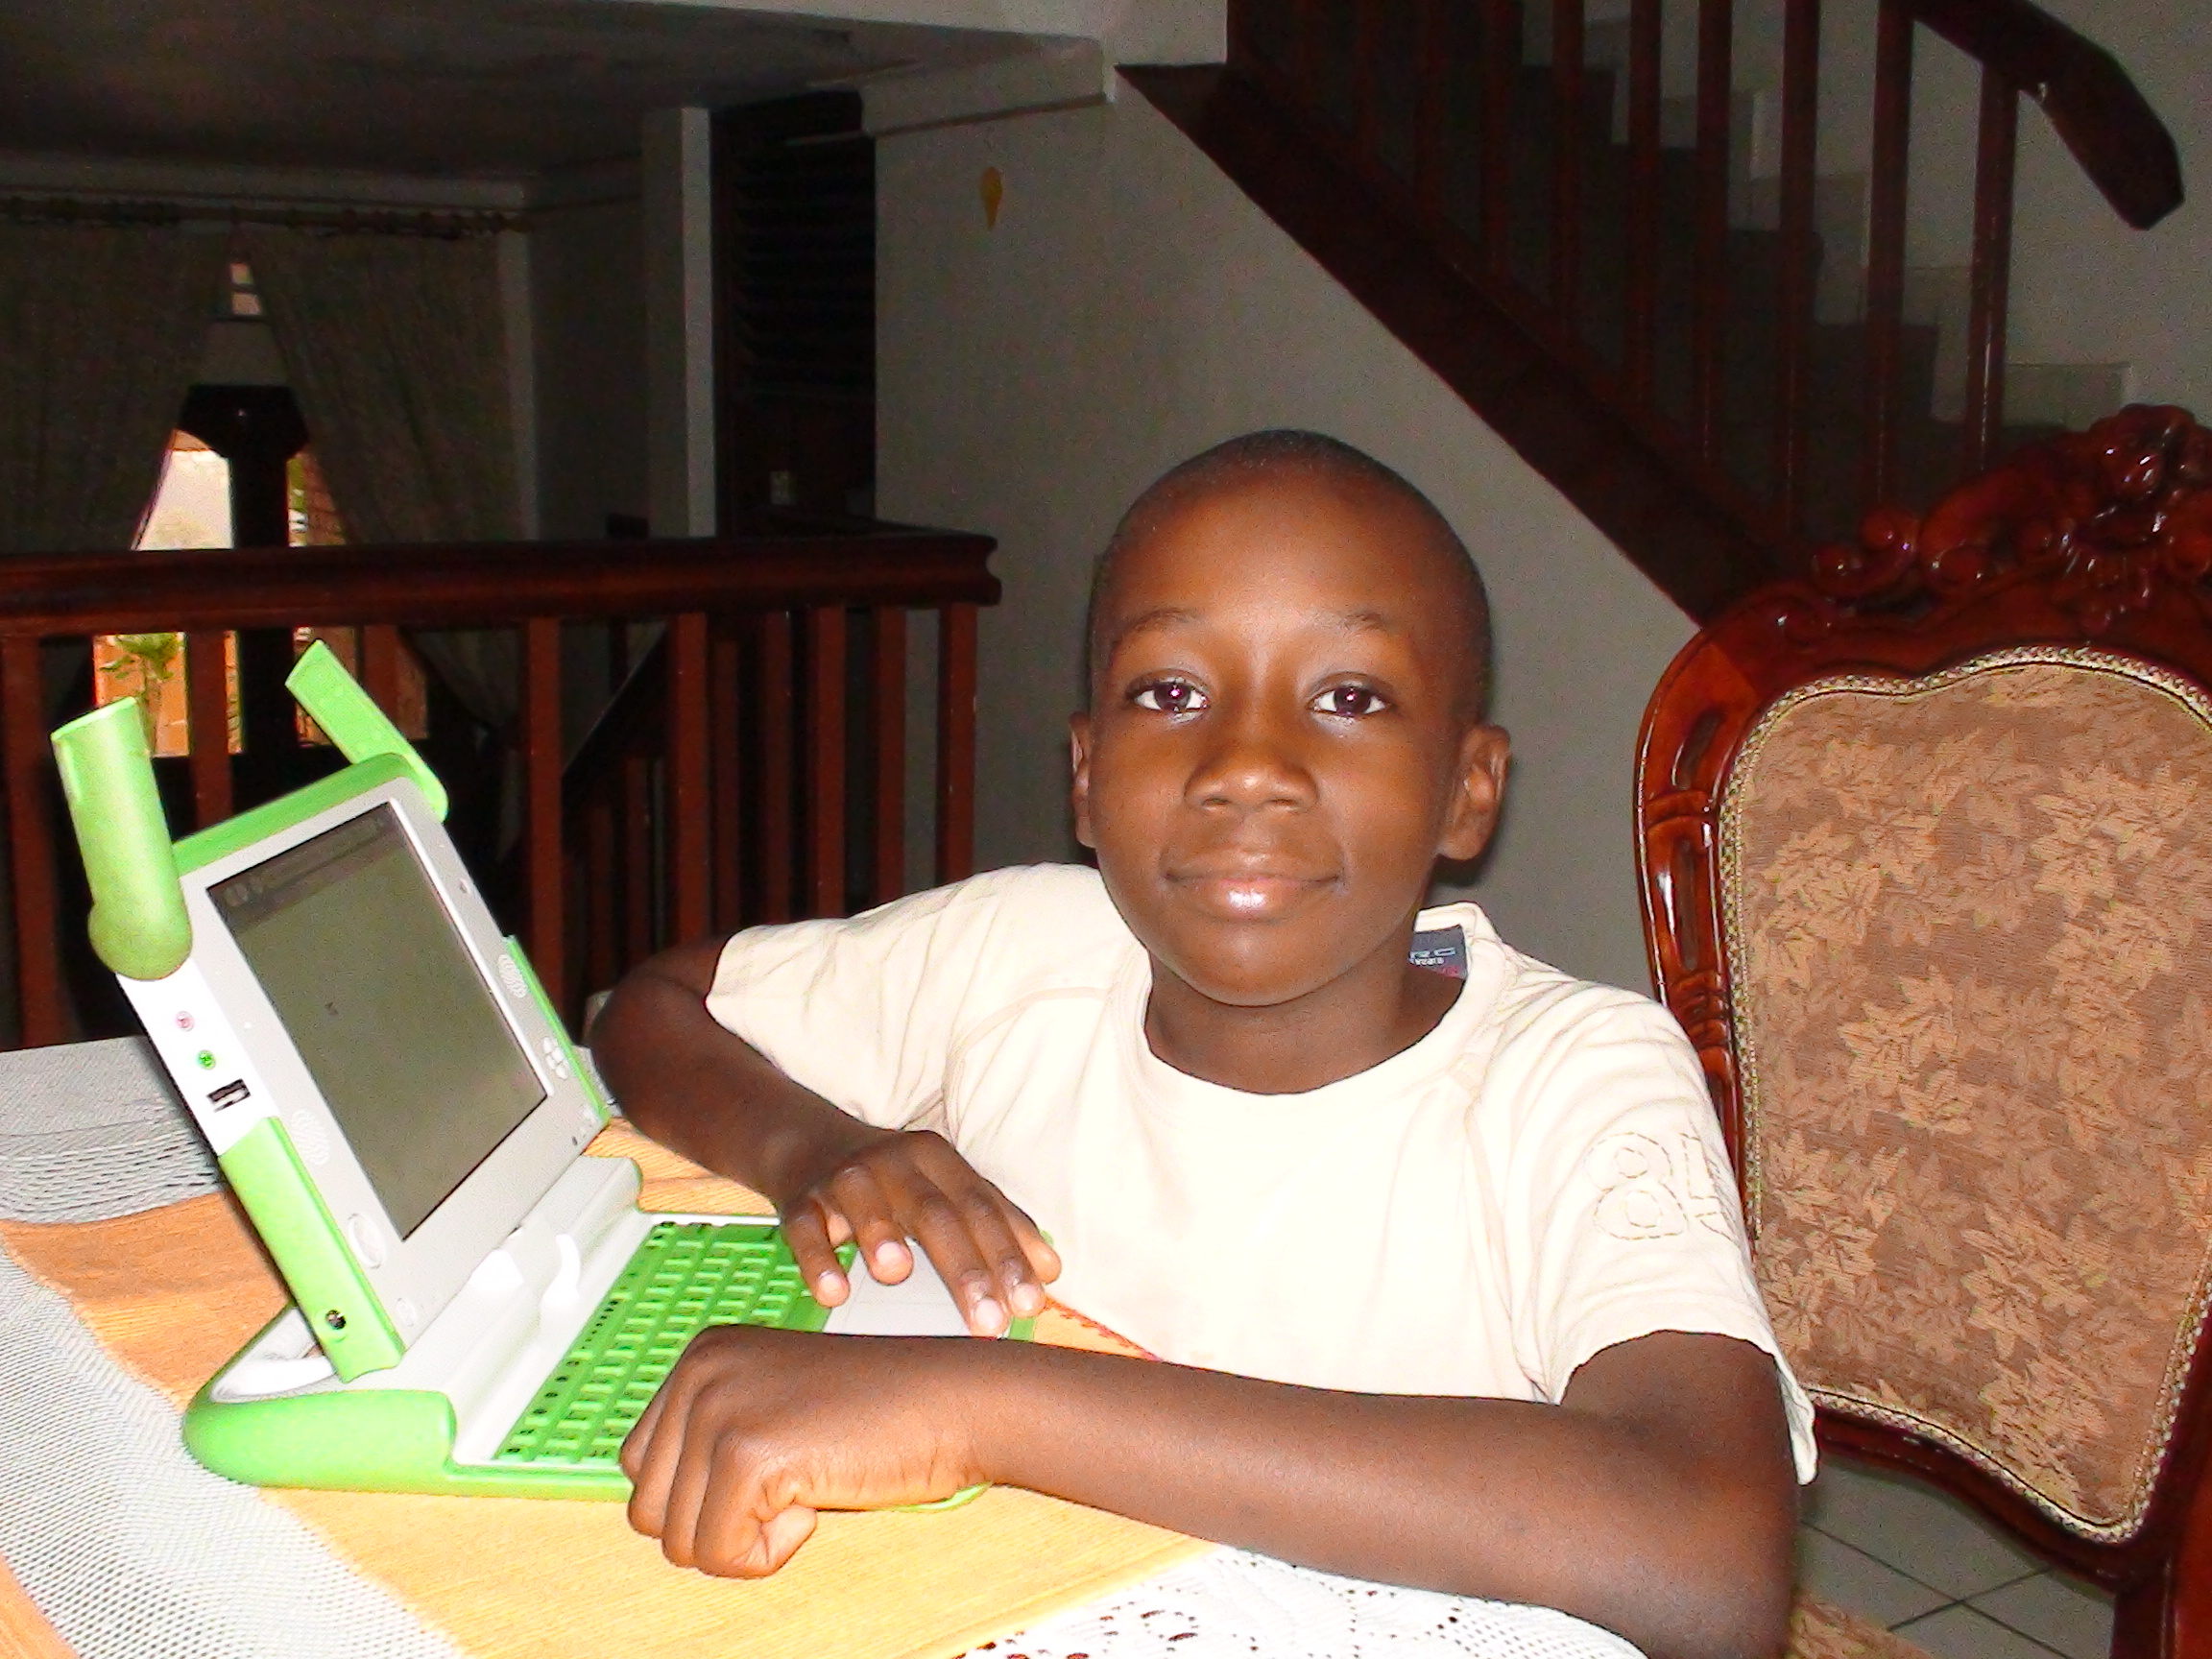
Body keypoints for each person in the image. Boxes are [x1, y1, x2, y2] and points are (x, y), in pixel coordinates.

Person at [590, 430, 1813, 1659]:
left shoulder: (1575, 1077)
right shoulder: (1017, 953)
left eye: (1350, 698)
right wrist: (820, 1146)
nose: (1245, 769)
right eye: (1171, 694)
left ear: (1466, 791)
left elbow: (1709, 1563)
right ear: (1084, 773)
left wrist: (975, 1409)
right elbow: (652, 1011)